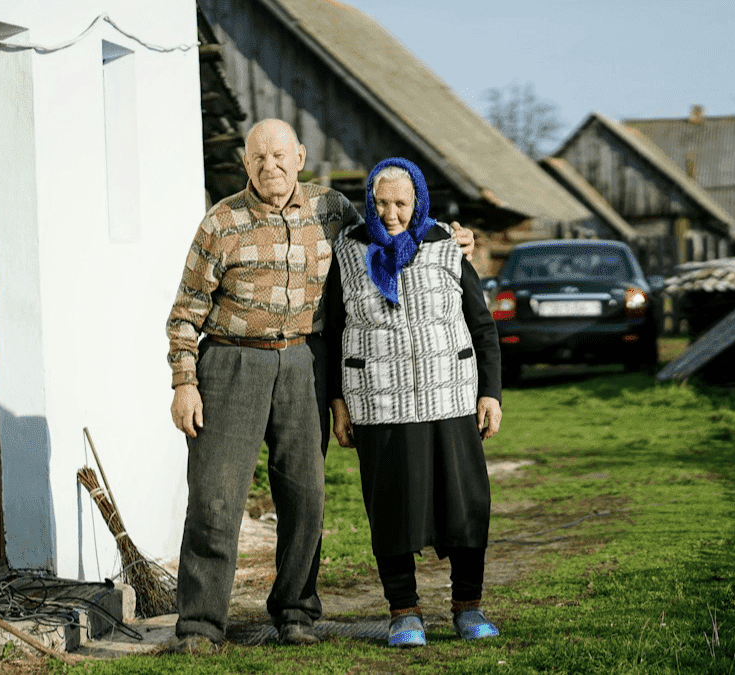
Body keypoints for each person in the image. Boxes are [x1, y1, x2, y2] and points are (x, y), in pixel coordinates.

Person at [166, 120, 473, 652]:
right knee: (215, 499)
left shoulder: (332, 210)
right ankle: (200, 624)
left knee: (304, 497)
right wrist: (184, 383)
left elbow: (391, 229)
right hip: (232, 365)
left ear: (301, 156)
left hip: (304, 363)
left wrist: (451, 235)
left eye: (281, 156)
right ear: (245, 163)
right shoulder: (220, 222)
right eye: (259, 158)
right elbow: (185, 313)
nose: (271, 167)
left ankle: (296, 612)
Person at [325, 157, 503, 648]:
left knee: (465, 506)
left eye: (401, 203)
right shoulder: (347, 251)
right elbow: (335, 332)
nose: (390, 213)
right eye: (381, 203)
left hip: (449, 399)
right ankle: (404, 611)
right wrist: (337, 403)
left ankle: (468, 606)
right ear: (369, 202)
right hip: (379, 405)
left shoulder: (446, 246)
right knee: (391, 510)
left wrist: (490, 392)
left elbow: (482, 325)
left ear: (417, 201)